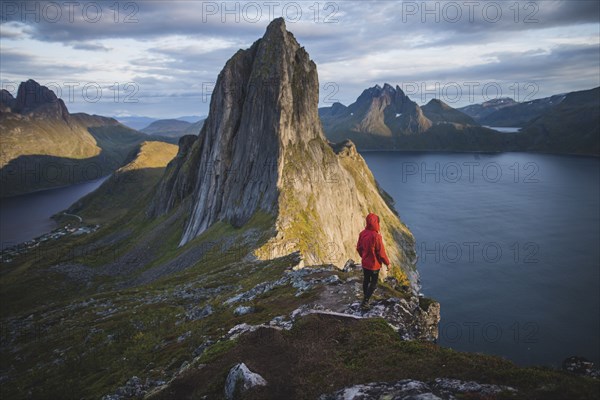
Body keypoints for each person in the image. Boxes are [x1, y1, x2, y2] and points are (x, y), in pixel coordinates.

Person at [356, 212, 390, 309]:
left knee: (366, 280)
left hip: (365, 263)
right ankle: (365, 301)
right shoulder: (377, 236)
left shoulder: (362, 233)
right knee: (374, 283)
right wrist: (387, 263)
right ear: (376, 223)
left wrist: (364, 256)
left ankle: (365, 298)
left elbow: (359, 247)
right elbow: (381, 253)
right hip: (374, 265)